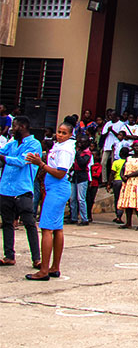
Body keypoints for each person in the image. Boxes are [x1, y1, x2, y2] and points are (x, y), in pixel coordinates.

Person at [24, 122, 75, 280]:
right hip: (55, 188)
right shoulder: (59, 146)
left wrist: (41, 165)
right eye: (59, 132)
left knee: (46, 228)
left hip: (58, 188)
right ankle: (54, 267)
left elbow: (60, 173)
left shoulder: (66, 150)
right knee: (57, 228)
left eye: (64, 133)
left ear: (70, 135)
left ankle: (44, 270)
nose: (60, 135)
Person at [0, 116, 41, 268]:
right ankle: (9, 256)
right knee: (7, 223)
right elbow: (2, 151)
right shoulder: (12, 143)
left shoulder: (33, 144)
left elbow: (21, 161)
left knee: (29, 223)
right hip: (6, 188)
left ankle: (36, 258)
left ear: (23, 126)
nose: (12, 129)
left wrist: (3, 158)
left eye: (15, 126)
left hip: (22, 189)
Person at [118, 139, 138, 230]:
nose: (136, 148)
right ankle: (128, 222)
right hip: (128, 182)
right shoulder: (129, 158)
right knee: (128, 202)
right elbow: (123, 168)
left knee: (137, 202)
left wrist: (129, 175)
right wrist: (122, 175)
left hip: (136, 182)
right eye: (135, 146)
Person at [68, 136, 92, 226]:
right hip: (75, 175)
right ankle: (73, 217)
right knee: (72, 198)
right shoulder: (78, 152)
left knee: (81, 199)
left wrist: (77, 154)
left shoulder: (87, 153)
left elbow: (82, 163)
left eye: (83, 142)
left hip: (82, 176)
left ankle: (84, 219)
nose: (81, 144)